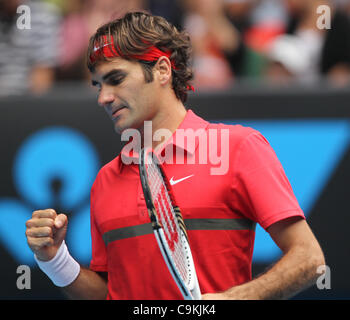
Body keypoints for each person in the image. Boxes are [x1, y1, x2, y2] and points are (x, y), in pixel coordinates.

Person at [25, 11, 325, 300]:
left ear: (163, 70)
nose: (103, 97)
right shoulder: (104, 180)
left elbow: (309, 258)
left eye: (116, 79)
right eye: (98, 85)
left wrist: (237, 298)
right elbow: (111, 293)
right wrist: (55, 260)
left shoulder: (239, 147)